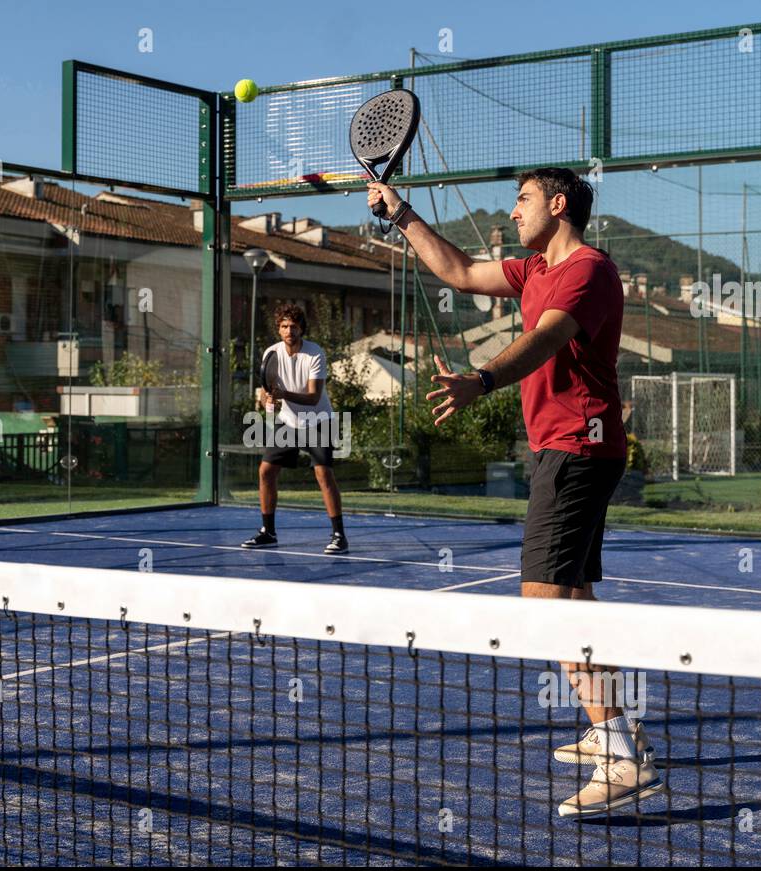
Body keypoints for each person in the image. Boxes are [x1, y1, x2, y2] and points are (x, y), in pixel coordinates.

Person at [367, 168, 663, 818]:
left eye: (523, 198)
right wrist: (401, 214)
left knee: (544, 599)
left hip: (577, 449)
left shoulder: (588, 269)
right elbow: (460, 271)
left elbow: (549, 336)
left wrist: (482, 378)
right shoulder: (533, 270)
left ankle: (625, 759)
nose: (513, 208)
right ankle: (613, 725)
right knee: (575, 595)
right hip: (571, 448)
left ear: (558, 205)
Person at [240, 303, 349, 555]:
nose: (289, 330)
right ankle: (268, 532)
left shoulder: (315, 354)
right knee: (266, 471)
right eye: (284, 326)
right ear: (278, 330)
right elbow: (266, 392)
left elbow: (313, 396)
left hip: (319, 421)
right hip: (287, 421)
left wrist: (283, 394)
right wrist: (266, 400)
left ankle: (339, 536)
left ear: (302, 329)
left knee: (323, 474)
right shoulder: (271, 353)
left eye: (294, 326)